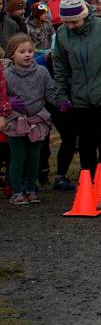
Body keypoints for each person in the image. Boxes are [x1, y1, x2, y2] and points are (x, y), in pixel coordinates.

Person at [51, 0, 101, 212]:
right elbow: (60, 67)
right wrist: (60, 96)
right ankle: (89, 187)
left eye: (74, 21)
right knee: (85, 146)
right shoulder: (63, 34)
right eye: (66, 22)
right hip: (80, 99)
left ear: (84, 16)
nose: (70, 26)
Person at [5, 34, 52, 204]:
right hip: (16, 120)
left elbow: (50, 92)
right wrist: (8, 102)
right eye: (22, 51)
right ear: (12, 54)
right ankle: (17, 191)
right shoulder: (6, 74)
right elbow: (1, 95)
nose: (27, 54)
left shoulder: (42, 72)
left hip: (37, 119)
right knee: (18, 157)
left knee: (34, 157)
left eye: (30, 51)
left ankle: (31, 189)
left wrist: (61, 101)